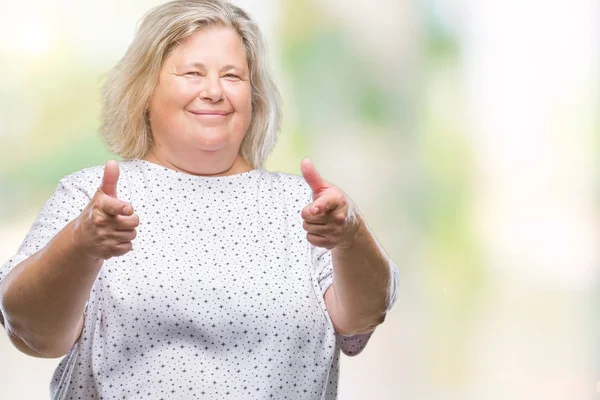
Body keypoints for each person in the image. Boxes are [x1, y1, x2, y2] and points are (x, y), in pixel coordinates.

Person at [0, 0, 399, 398]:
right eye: (192, 73)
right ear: (144, 89)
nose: (214, 92)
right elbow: (32, 332)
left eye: (232, 76)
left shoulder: (308, 207)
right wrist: (81, 244)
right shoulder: (91, 198)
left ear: (254, 95)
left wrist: (350, 236)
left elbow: (362, 317)